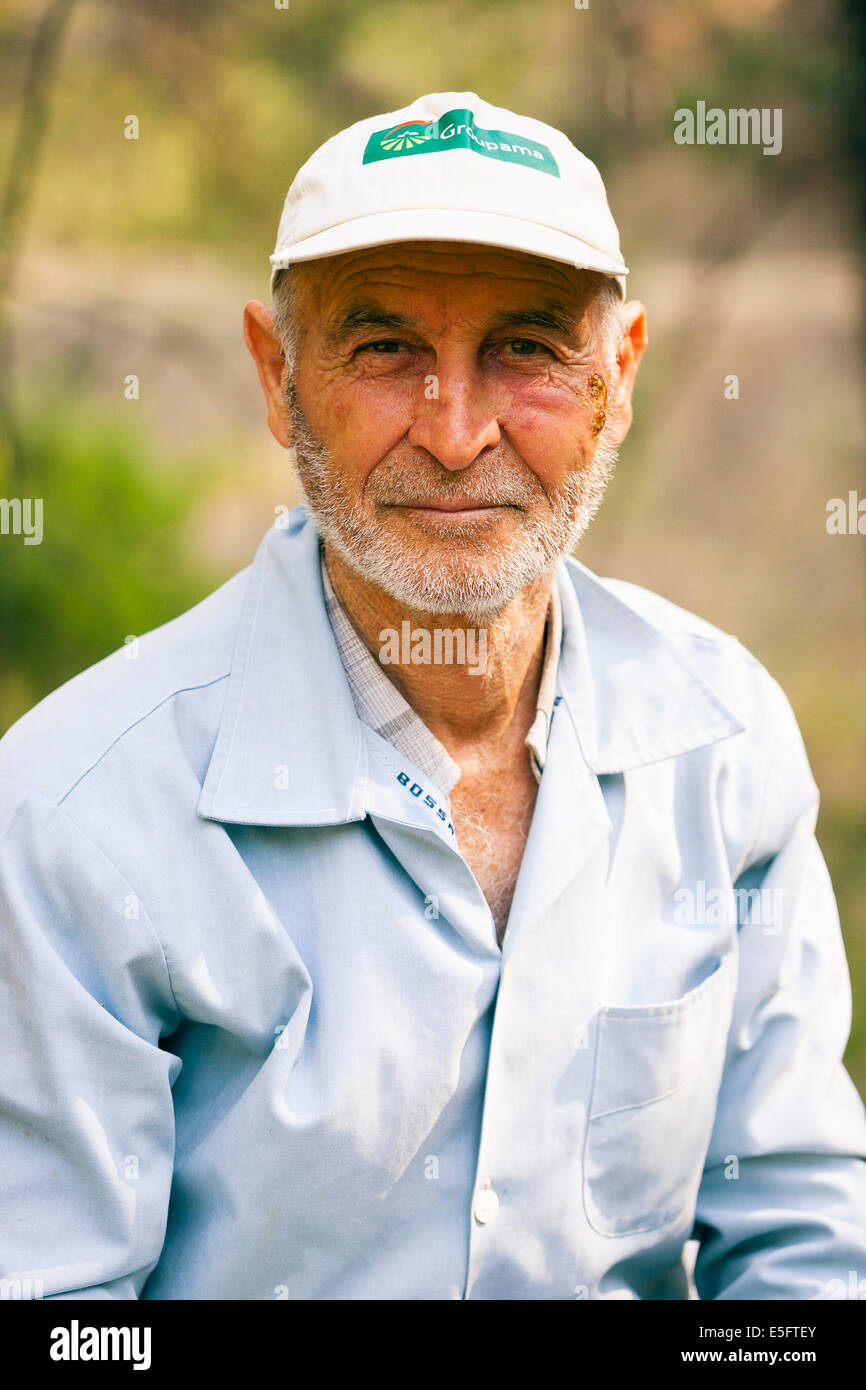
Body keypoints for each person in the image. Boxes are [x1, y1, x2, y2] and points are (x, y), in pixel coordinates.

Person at [1, 91, 864, 1301]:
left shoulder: (719, 747)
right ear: (276, 373)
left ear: (617, 375)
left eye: (524, 348)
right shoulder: (74, 813)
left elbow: (802, 1258)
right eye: (383, 348)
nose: (455, 433)